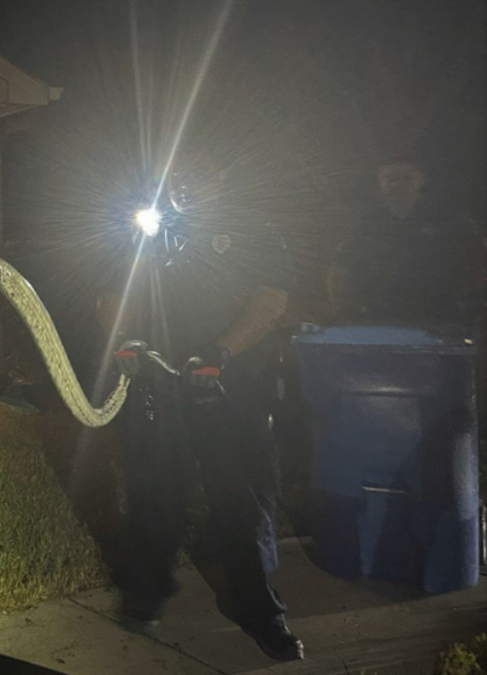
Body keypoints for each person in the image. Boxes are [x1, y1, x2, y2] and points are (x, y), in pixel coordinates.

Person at [97, 159, 305, 662]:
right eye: (179, 174)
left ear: (222, 175)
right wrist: (124, 338)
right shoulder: (150, 230)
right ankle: (146, 594)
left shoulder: (254, 229)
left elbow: (272, 301)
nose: (186, 183)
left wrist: (220, 353)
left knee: (241, 504)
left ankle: (260, 610)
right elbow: (113, 296)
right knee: (154, 496)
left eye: (200, 172)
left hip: (231, 391)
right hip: (161, 391)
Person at [326, 156, 485, 328]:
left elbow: (479, 264)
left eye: (406, 177)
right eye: (391, 179)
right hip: (375, 323)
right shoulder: (364, 226)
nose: (398, 184)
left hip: (441, 324)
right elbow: (339, 272)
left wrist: (467, 310)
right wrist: (345, 316)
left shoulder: (448, 221)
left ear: (420, 180)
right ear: (380, 182)